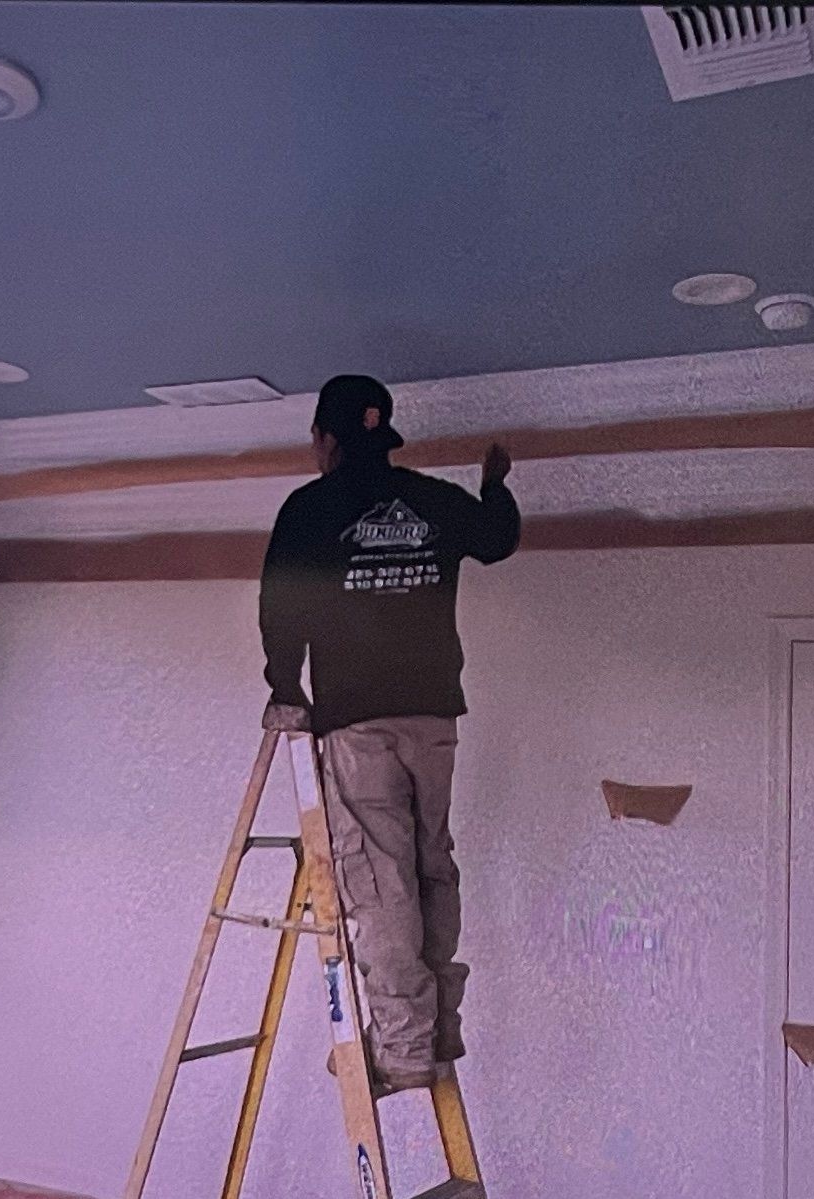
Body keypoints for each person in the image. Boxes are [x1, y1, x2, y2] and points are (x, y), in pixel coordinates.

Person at [258, 373, 520, 1095]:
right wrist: (492, 482)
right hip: (434, 718)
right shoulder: (432, 501)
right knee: (430, 862)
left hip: (359, 722)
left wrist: (285, 688)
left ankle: (404, 1048)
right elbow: (497, 539)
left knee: (380, 882)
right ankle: (437, 1030)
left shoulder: (310, 508)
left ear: (326, 438)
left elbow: (282, 601)